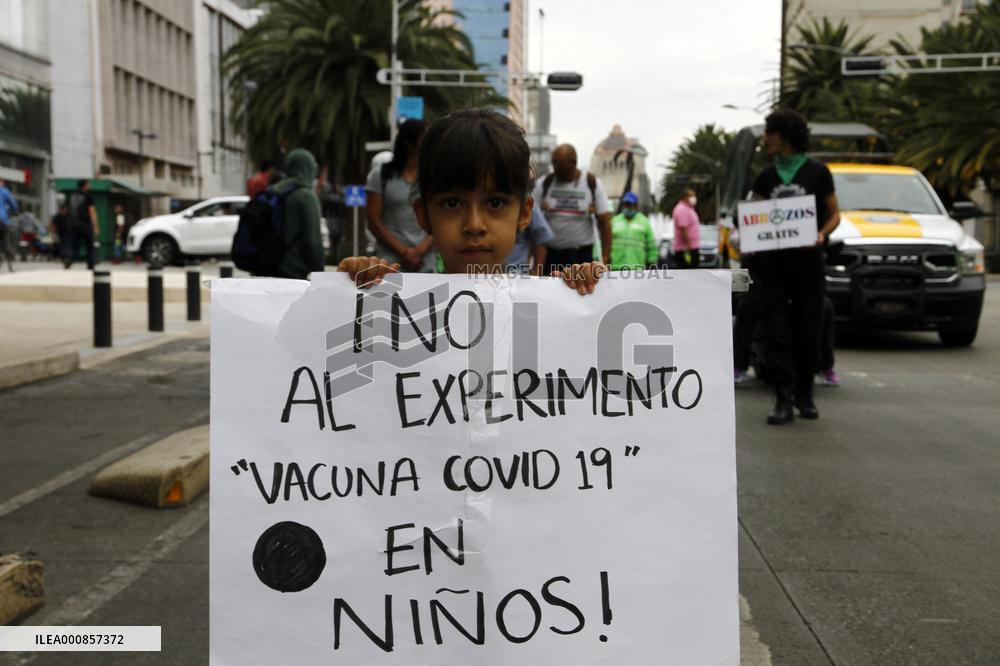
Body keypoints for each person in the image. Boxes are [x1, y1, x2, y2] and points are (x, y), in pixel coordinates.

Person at [338, 108, 604, 295]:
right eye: (452, 203)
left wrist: (588, 288)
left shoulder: (556, 302)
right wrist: (345, 287)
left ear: (524, 214)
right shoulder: (384, 300)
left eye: (495, 203)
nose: (474, 225)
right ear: (424, 215)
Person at [749, 109, 841, 425]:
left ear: (783, 135)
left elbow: (834, 215)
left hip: (807, 264)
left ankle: (805, 394)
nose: (765, 140)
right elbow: (756, 218)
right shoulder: (765, 176)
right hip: (773, 265)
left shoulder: (817, 172)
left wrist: (821, 234)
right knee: (775, 330)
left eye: (768, 133)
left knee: (808, 327)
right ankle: (782, 397)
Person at [365, 119, 435, 273]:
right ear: (409, 143)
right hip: (389, 263)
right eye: (424, 137)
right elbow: (373, 221)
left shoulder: (432, 177)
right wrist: (404, 252)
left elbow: (441, 218)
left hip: (426, 263)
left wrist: (420, 251)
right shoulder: (381, 175)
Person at [534, 144, 613, 273]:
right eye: (554, 164)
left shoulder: (591, 183)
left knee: (583, 290)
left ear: (574, 163)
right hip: (551, 253)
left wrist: (605, 257)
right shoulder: (544, 183)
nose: (556, 169)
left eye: (561, 165)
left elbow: (605, 222)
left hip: (581, 254)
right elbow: (531, 219)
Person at [609, 191, 657, 270]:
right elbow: (604, 242)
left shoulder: (644, 222)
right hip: (615, 268)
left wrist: (651, 262)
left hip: (636, 269)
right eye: (625, 204)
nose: (627, 207)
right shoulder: (614, 221)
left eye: (630, 205)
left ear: (635, 206)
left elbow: (651, 245)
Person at [505, 203, 554, 275]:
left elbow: (540, 243)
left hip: (517, 275)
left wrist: (536, 275)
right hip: (486, 274)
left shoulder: (526, 204)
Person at [65, 180, 99, 270]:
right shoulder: (88, 196)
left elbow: (67, 210)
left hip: (73, 225)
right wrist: (95, 227)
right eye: (88, 184)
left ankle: (69, 258)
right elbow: (92, 212)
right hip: (85, 225)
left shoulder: (72, 196)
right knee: (89, 245)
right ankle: (90, 264)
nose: (90, 186)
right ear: (84, 186)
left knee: (74, 245)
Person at [671, 188, 701, 269]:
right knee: (688, 275)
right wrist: (688, 248)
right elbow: (683, 229)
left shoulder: (689, 208)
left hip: (690, 248)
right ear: (684, 197)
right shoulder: (681, 209)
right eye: (691, 196)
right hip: (686, 249)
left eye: (694, 196)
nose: (694, 198)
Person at [0, 178, 17, 270]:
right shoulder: (4, 191)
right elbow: (13, 204)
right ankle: (10, 265)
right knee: (6, 240)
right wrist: (15, 211)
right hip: (2, 220)